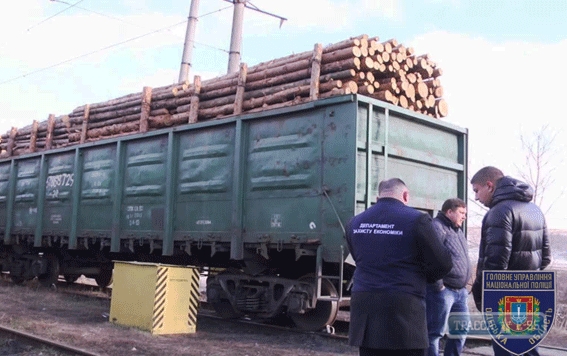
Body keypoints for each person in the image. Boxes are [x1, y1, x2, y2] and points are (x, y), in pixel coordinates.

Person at [346, 178, 453, 356]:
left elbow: (358, 258)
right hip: (404, 308)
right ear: (405, 195)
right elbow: (443, 263)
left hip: (365, 307)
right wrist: (426, 276)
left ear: (377, 197)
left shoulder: (355, 222)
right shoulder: (417, 220)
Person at [470, 166, 552, 356]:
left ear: (489, 186)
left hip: (504, 300)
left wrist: (480, 292)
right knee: (528, 348)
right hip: (531, 295)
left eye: (476, 190)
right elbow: (546, 257)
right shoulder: (535, 210)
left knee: (507, 350)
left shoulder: (499, 212)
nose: (475, 197)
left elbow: (495, 264)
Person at [426, 198, 471, 356]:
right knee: (435, 332)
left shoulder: (457, 230)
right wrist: (438, 285)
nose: (464, 216)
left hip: (460, 292)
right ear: (449, 212)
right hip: (443, 291)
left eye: (465, 213)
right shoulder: (437, 227)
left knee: (460, 331)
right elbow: (429, 256)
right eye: (461, 213)